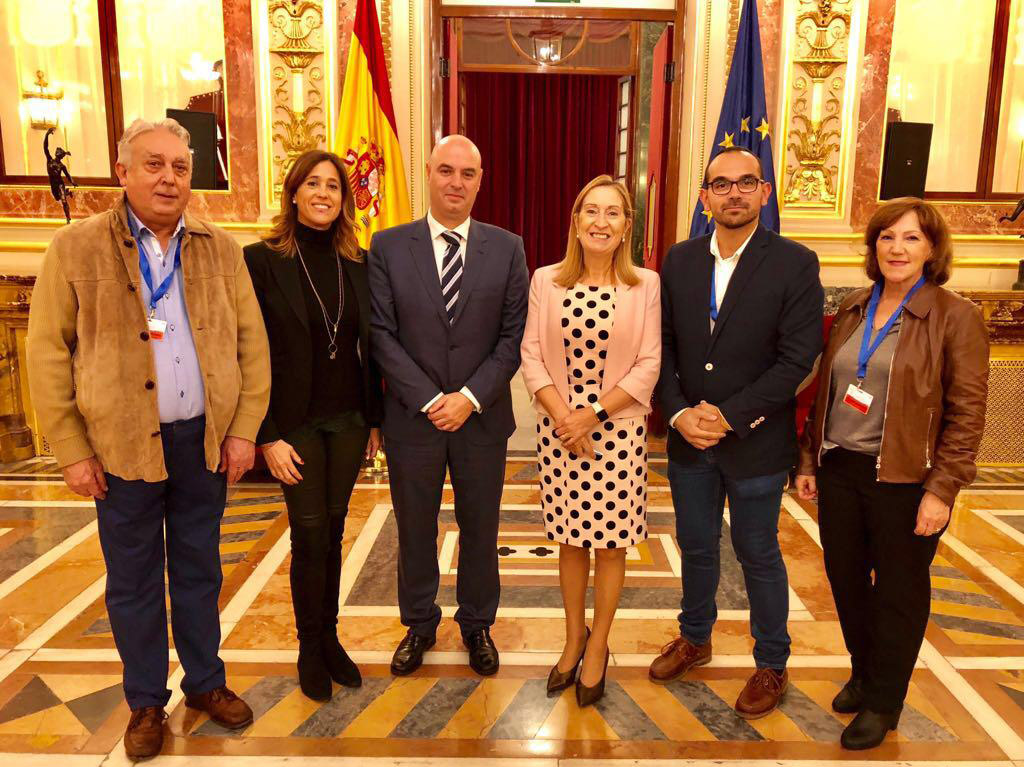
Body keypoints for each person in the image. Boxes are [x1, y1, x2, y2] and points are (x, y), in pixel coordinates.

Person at [26, 118, 270, 760]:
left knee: (199, 570)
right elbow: (48, 354)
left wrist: (243, 431)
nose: (169, 178)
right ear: (123, 171)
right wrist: (72, 451)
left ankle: (206, 684)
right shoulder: (75, 249)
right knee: (133, 580)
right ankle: (143, 701)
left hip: (202, 443)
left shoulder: (221, 247)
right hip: (120, 447)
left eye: (181, 168)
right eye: (154, 165)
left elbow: (253, 345)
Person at [795, 198, 988, 749]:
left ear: (932, 250)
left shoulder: (956, 316)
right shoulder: (855, 307)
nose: (896, 249)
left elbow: (967, 413)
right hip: (841, 470)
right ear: (873, 247)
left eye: (910, 239)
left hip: (906, 479)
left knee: (900, 592)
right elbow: (827, 393)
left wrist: (942, 490)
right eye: (886, 238)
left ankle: (885, 700)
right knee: (847, 582)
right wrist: (810, 460)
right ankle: (864, 672)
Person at [650, 146, 824, 719]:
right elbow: (665, 350)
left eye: (746, 182)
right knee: (697, 548)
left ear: (764, 193)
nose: (733, 193)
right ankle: (695, 637)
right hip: (688, 441)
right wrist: (679, 414)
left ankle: (771, 661)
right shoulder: (677, 261)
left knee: (758, 553)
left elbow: (797, 360)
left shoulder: (795, 263)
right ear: (704, 198)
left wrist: (727, 416)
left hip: (755, 444)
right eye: (720, 185)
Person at [368, 135, 529, 677]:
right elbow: (382, 335)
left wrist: (469, 398)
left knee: (481, 527)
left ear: (480, 180)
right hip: (414, 420)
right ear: (428, 174)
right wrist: (434, 399)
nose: (456, 182)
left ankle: (477, 623)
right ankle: (418, 624)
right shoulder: (388, 246)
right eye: (446, 171)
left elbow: (512, 337)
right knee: (416, 527)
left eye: (468, 173)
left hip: (481, 419)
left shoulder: (508, 248)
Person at [244, 150, 383, 701]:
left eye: (334, 186)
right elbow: (246, 352)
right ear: (294, 193)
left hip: (348, 419)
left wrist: (375, 420)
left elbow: (370, 350)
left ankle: (330, 640)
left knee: (334, 528)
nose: (324, 193)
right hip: (292, 423)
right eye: (314, 184)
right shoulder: (261, 261)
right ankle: (309, 648)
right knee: (308, 534)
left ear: (345, 200)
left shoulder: (360, 263)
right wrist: (266, 435)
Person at [520, 175, 660, 706]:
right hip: (559, 433)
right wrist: (565, 417)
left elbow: (649, 362)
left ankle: (599, 644)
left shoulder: (645, 284)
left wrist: (592, 417)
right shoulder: (545, 280)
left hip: (616, 434)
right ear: (575, 222)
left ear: (627, 227)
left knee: (610, 542)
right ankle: (572, 635)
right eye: (591, 212)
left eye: (613, 213)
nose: (601, 222)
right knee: (571, 538)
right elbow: (531, 353)